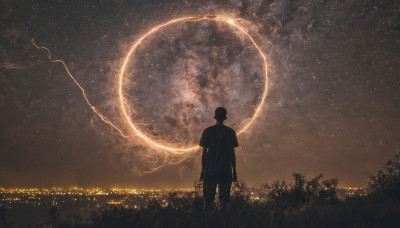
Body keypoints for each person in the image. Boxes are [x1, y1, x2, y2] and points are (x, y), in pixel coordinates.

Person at [199, 107, 238, 211]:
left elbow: (204, 153)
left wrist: (202, 170)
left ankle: (207, 223)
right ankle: (222, 222)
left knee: (208, 200)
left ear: (214, 117)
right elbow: (232, 154)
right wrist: (234, 170)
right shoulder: (230, 132)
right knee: (223, 201)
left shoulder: (207, 131)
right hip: (225, 170)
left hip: (210, 169)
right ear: (225, 117)